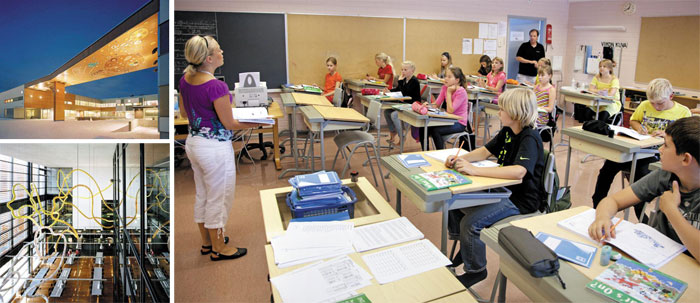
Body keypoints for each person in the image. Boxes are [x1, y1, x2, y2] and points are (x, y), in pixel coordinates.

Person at [446, 88, 545, 287]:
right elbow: (484, 152)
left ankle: (476, 270)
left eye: (502, 109)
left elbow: (519, 172)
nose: (498, 112)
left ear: (516, 113)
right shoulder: (508, 131)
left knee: (471, 223)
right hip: (504, 190)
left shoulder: (530, 137)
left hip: (520, 200)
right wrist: (460, 158)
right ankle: (466, 250)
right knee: (455, 202)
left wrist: (473, 171)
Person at [178, 35, 260, 261]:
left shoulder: (185, 79)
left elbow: (185, 114)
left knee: (203, 194)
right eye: (219, 50)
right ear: (208, 59)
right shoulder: (216, 86)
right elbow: (230, 123)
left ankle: (207, 243)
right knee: (219, 197)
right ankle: (219, 248)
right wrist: (260, 121)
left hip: (194, 144)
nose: (222, 52)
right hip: (214, 149)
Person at [588, 116, 700, 262]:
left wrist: (671, 210)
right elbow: (613, 200)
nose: (660, 149)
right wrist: (602, 217)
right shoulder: (665, 175)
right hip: (657, 257)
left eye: (665, 145)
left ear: (685, 159)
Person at [591, 78, 691, 219]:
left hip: (657, 154)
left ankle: (642, 218)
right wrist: (639, 128)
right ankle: (596, 206)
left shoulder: (683, 112)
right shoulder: (644, 105)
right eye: (652, 103)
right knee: (607, 169)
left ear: (671, 96)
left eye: (660, 103)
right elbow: (633, 120)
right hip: (637, 148)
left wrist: (667, 135)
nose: (656, 107)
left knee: (640, 179)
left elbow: (686, 140)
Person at [418, 67, 471, 150]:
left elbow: (450, 110)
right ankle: (425, 152)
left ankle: (441, 154)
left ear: (457, 80)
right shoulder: (445, 87)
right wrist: (428, 105)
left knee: (436, 131)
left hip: (459, 123)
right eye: (446, 76)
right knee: (423, 127)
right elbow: (436, 105)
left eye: (449, 77)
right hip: (449, 120)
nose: (446, 78)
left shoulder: (461, 91)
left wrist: (449, 93)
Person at [384, 61, 421, 146]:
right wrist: (389, 91)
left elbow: (405, 93)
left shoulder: (414, 81)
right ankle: (393, 131)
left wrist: (400, 81)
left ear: (412, 71)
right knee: (386, 112)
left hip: (412, 106)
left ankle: (402, 136)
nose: (403, 71)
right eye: (402, 69)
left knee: (394, 115)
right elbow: (398, 89)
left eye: (405, 69)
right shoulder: (405, 80)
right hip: (403, 105)